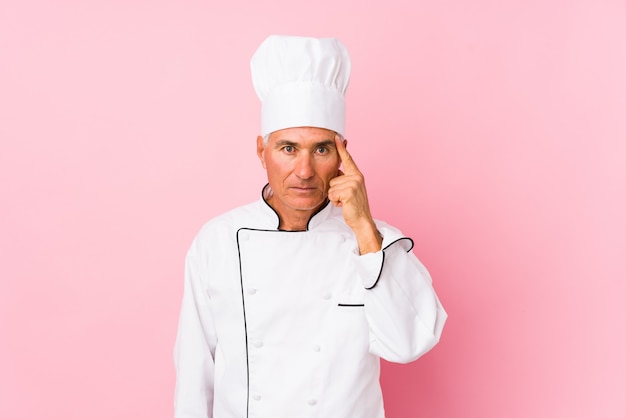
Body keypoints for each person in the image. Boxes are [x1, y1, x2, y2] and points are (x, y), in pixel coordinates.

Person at [174, 35, 447, 418]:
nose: (304, 171)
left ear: (343, 154)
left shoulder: (375, 242)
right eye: (288, 148)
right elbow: (194, 377)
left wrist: (365, 228)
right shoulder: (217, 242)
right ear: (261, 152)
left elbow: (408, 343)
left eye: (321, 149)